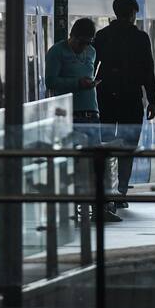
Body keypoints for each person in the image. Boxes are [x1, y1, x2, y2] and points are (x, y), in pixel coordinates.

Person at [46, 18, 120, 222]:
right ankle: (74, 207)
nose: (84, 47)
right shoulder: (56, 52)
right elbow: (50, 81)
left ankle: (100, 207)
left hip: (91, 112)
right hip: (67, 115)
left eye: (88, 42)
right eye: (81, 42)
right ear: (72, 36)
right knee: (74, 163)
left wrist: (88, 84)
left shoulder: (92, 52)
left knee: (96, 164)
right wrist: (78, 83)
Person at [94, 0, 155, 206]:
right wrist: (152, 99)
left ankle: (106, 190)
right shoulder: (140, 38)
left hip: (105, 98)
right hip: (131, 98)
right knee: (128, 146)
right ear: (132, 14)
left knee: (106, 144)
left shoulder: (102, 36)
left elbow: (93, 68)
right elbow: (148, 70)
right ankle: (121, 191)